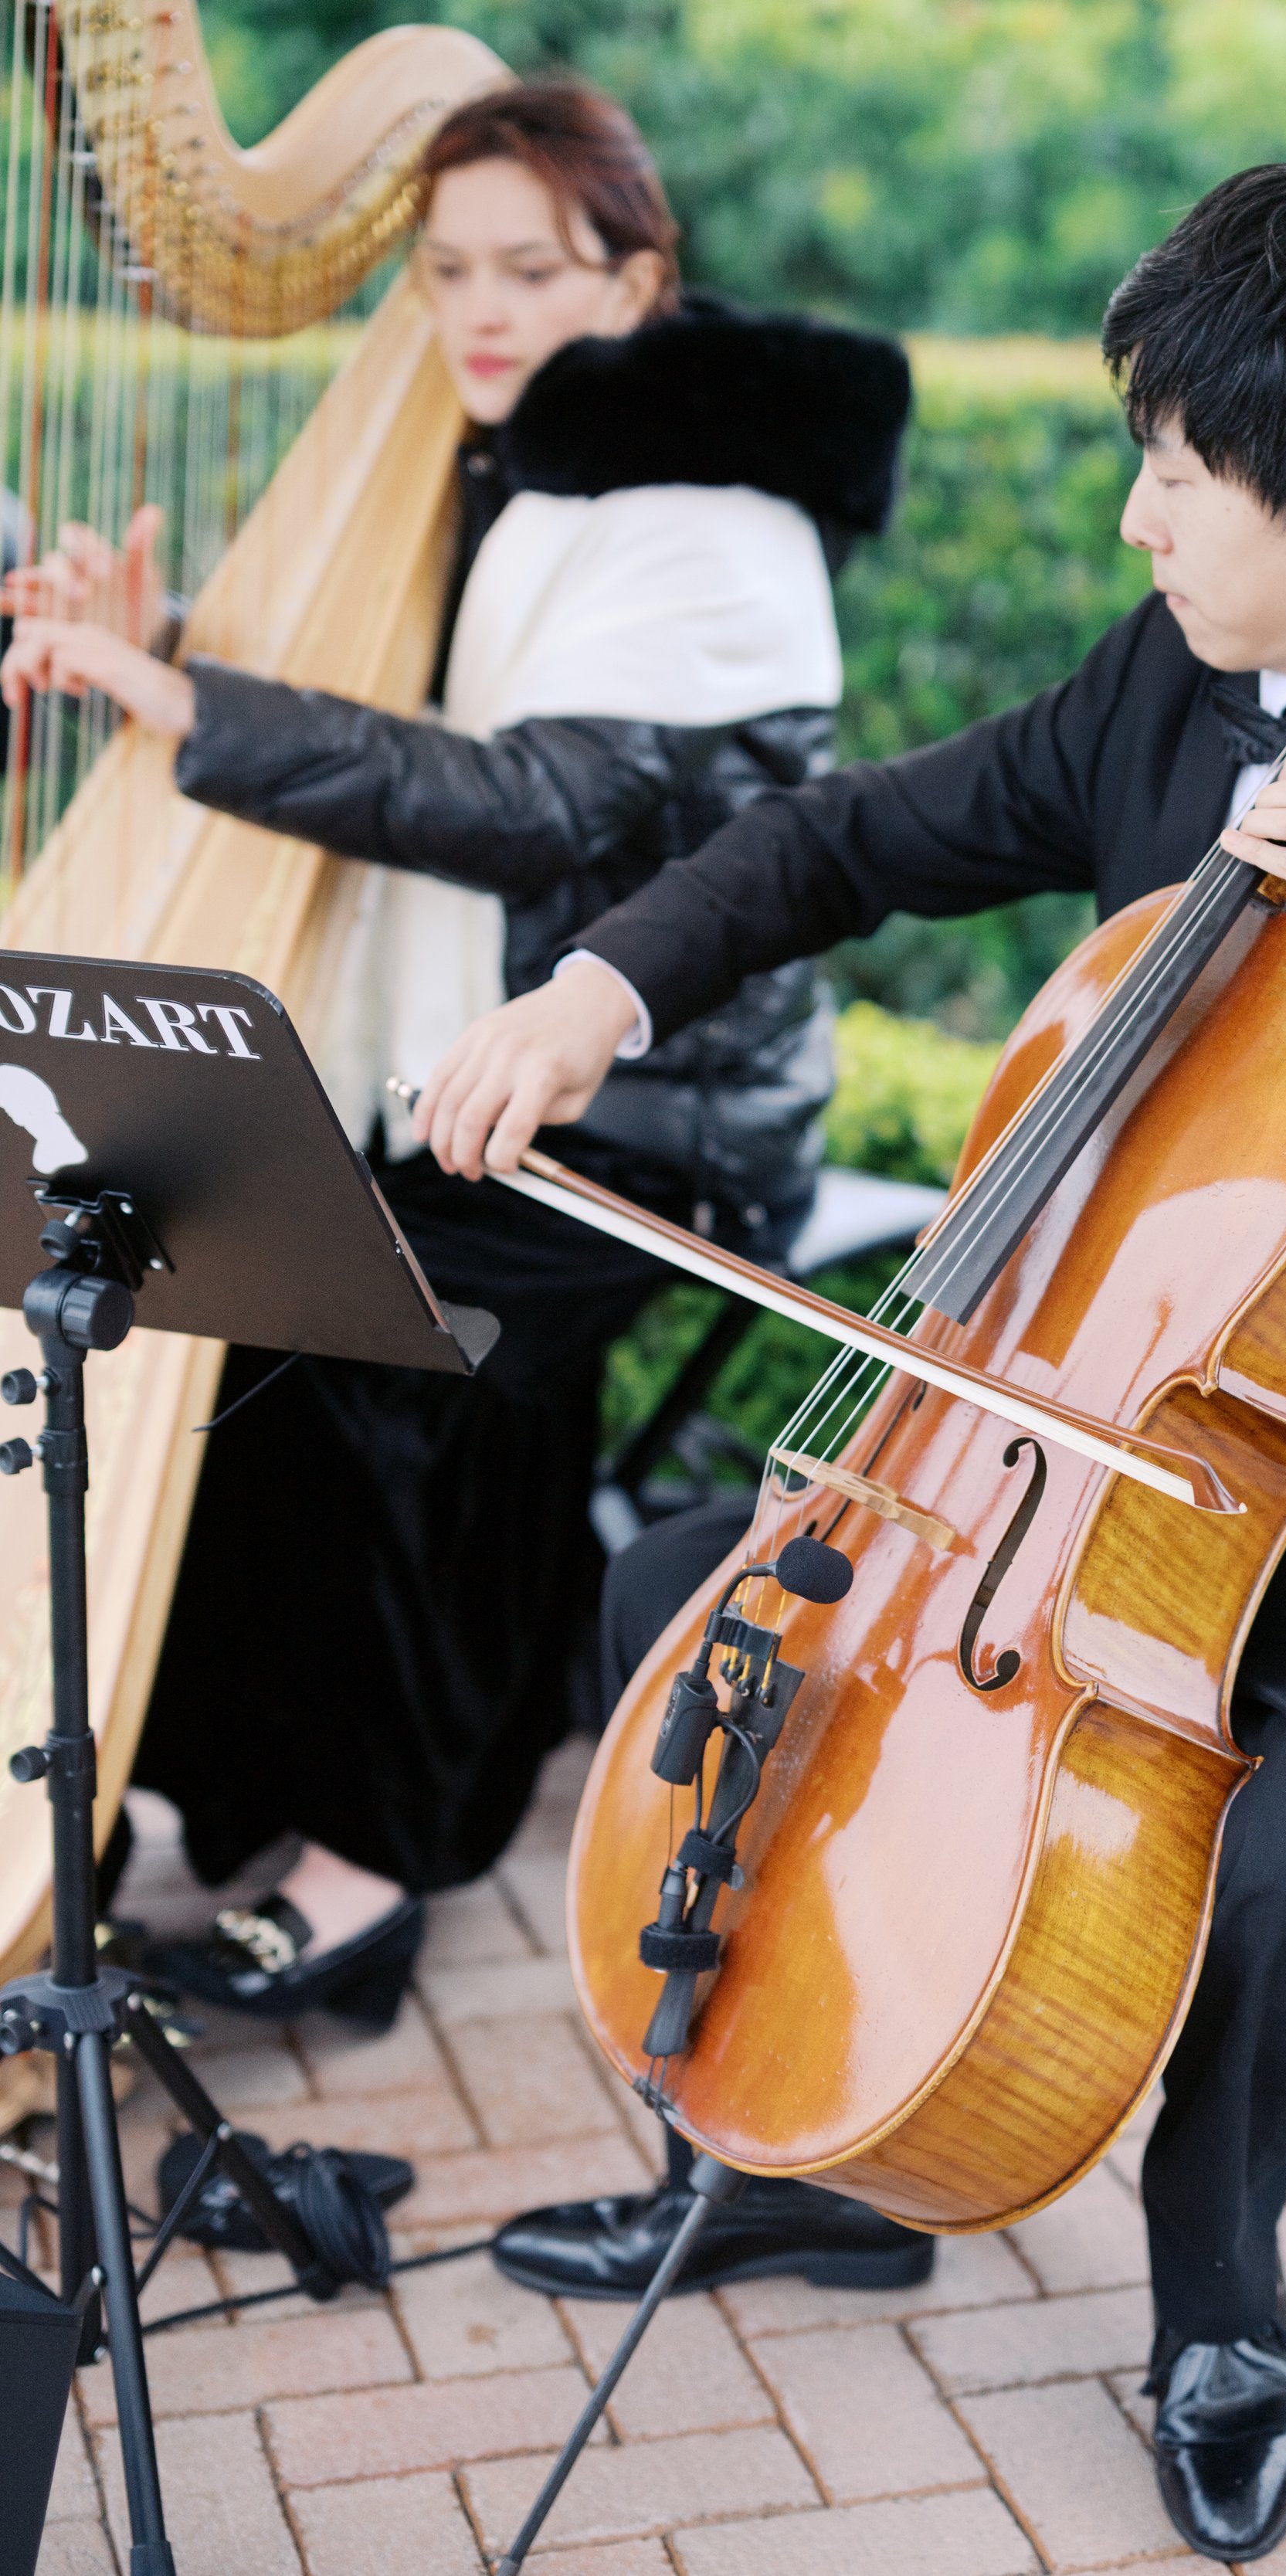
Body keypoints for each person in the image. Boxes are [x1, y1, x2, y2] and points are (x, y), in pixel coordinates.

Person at [412, 159, 1286, 2563]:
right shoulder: (1170, 690)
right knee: (701, 1596)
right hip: (1122, 1433)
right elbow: (843, 840)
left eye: (1170, 472)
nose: (1129, 519)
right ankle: (808, 2157)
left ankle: (1216, 2292)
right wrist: (596, 986)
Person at [0, 80, 911, 2030]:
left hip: (652, 1113)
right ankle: (237, 1789)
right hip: (455, 1077)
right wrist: (177, 644)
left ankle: (364, 1876)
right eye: (440, 274)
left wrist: (193, 703)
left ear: (641, 277)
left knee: (378, 1356)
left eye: (527, 271)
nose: (475, 314)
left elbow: (536, 803)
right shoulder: (504, 463)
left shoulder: (717, 523)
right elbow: (381, 700)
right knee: (193, 1289)